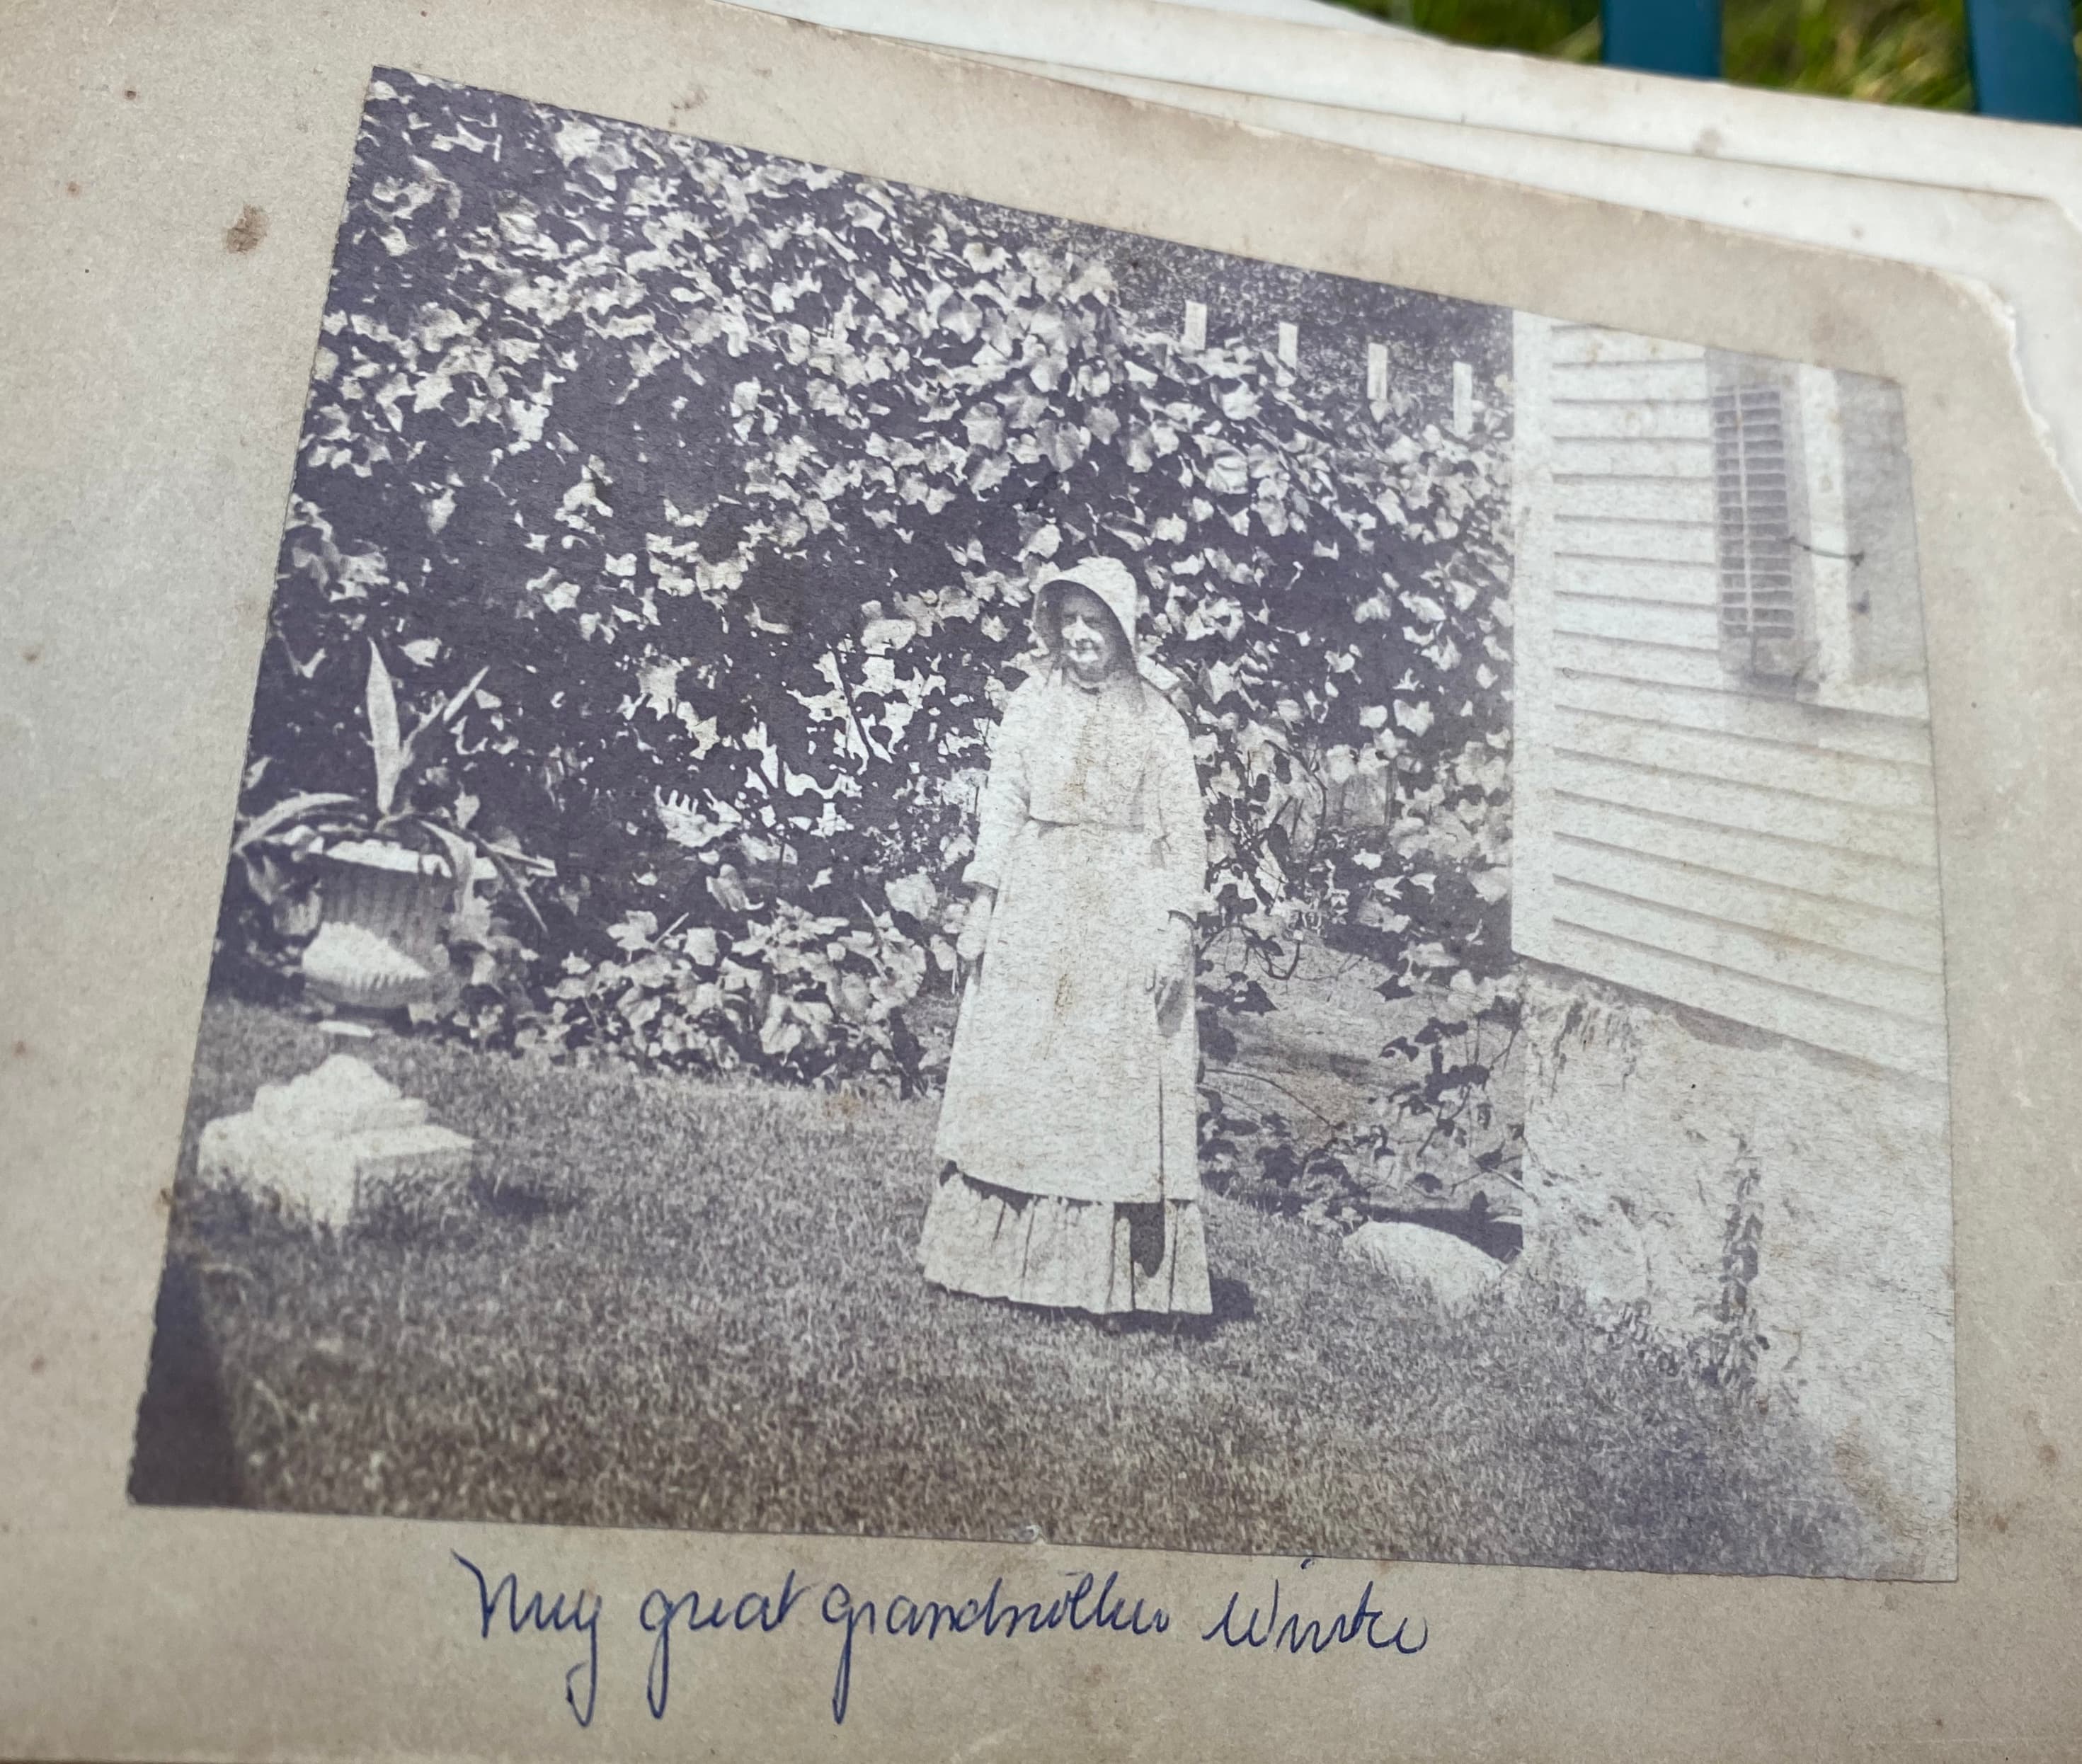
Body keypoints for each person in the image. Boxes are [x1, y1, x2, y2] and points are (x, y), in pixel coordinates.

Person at [920, 556, 1212, 1316]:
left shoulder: (1156, 716)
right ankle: (998, 1264)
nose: (1081, 636)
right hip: (1036, 907)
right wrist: (980, 907)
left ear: (1122, 629)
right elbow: (1003, 803)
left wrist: (1176, 929)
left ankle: (1100, 1276)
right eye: (1070, 620)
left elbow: (1186, 833)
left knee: (1098, 1089)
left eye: (1097, 621)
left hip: (1121, 912)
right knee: (1025, 1080)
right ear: (1053, 626)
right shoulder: (1028, 704)